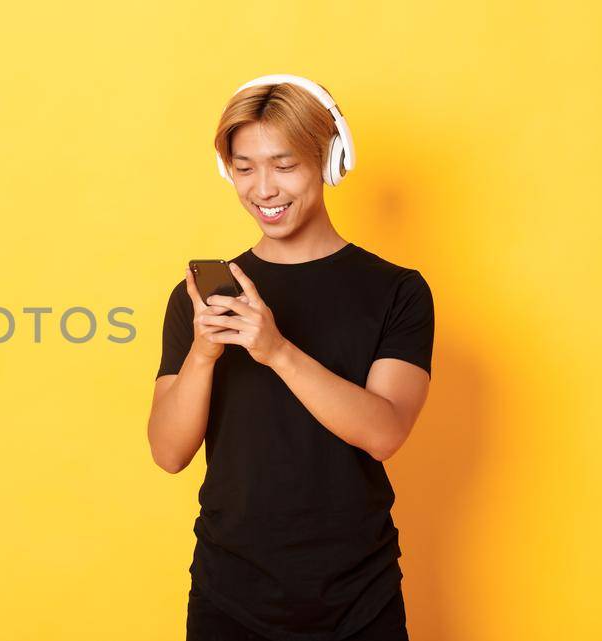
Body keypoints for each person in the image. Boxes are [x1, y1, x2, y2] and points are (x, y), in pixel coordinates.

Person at [145, 75, 434, 641]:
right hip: (229, 597)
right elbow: (167, 451)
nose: (263, 189)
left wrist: (275, 350)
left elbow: (385, 432)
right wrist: (204, 354)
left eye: (284, 164)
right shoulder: (202, 297)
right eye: (245, 167)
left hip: (359, 598)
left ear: (328, 160)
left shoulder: (397, 291)